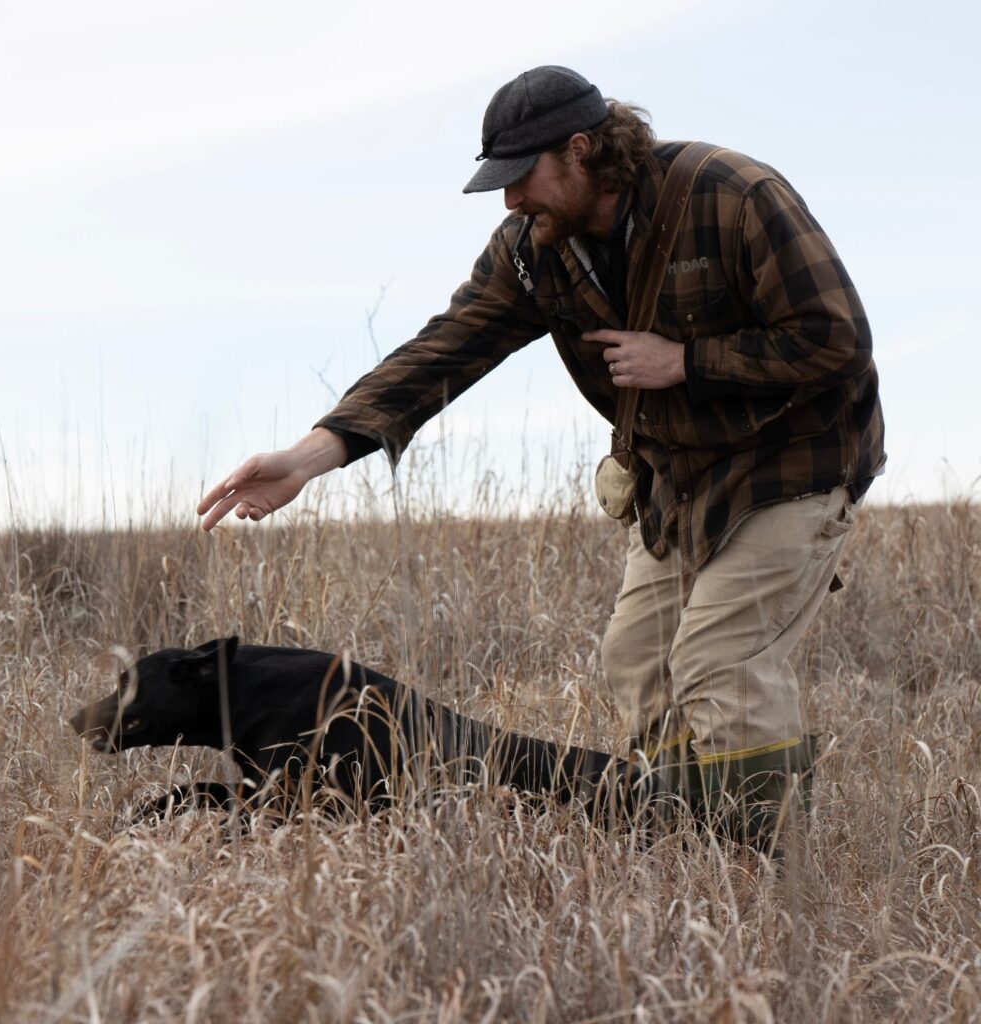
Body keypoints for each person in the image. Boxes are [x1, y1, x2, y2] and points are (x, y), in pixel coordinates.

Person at [197, 66, 885, 851]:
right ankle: (693, 849)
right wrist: (312, 456)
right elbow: (443, 351)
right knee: (639, 659)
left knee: (718, 665)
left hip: (796, 465)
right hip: (678, 481)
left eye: (521, 177)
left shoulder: (732, 195)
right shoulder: (535, 251)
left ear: (583, 150)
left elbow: (836, 338)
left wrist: (688, 361)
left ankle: (771, 872)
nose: (510, 200)